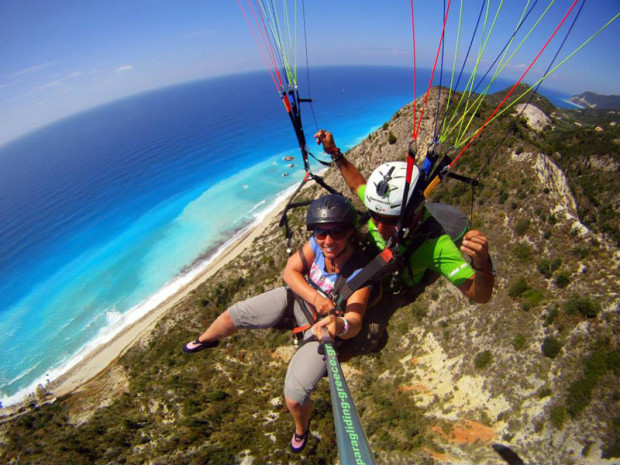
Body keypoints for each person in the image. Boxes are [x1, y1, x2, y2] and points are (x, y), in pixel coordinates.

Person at [182, 194, 371, 453]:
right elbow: (289, 272)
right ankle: (205, 339)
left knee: (294, 397)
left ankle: (301, 429)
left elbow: (356, 319)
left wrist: (340, 325)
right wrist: (315, 297)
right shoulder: (316, 247)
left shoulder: (360, 271)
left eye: (336, 233)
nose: (328, 240)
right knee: (233, 315)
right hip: (299, 301)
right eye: (320, 232)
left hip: (323, 329)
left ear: (349, 231)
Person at [313, 129, 495, 357]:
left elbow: (478, 294)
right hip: (363, 266)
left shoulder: (435, 244)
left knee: (361, 337)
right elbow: (356, 184)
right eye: (374, 216)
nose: (378, 227)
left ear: (415, 214)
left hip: (390, 290)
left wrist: (482, 264)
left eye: (388, 221)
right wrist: (334, 152)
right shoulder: (384, 206)